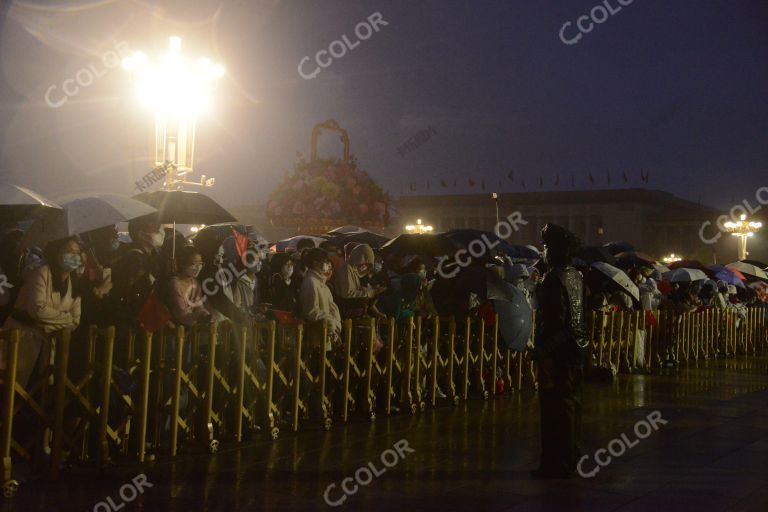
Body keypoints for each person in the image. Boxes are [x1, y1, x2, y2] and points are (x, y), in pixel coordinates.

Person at [529, 223, 587, 479]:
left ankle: (556, 463)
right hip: (577, 349)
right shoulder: (576, 275)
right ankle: (571, 455)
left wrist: (542, 352)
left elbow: (554, 322)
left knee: (553, 409)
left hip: (558, 353)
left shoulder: (554, 278)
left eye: (545, 247)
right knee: (571, 406)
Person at [1, 237, 83, 387]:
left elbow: (76, 320)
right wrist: (65, 319)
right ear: (57, 252)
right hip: (21, 340)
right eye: (69, 251)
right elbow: (37, 310)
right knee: (11, 391)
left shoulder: (75, 283)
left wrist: (49, 322)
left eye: (77, 252)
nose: (74, 256)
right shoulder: (40, 272)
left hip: (46, 347)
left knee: (38, 393)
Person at [299, 248, 341, 349]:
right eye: (325, 262)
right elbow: (311, 311)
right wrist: (330, 322)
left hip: (327, 333)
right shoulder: (310, 282)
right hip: (316, 336)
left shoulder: (322, 282)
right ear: (315, 264)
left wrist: (335, 325)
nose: (328, 265)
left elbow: (332, 306)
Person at [165, 245, 210, 326]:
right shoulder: (174, 284)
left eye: (200, 263)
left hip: (191, 327)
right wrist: (199, 315)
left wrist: (204, 313)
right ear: (182, 264)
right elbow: (181, 314)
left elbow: (198, 305)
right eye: (193, 263)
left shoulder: (195, 283)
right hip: (175, 329)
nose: (198, 267)